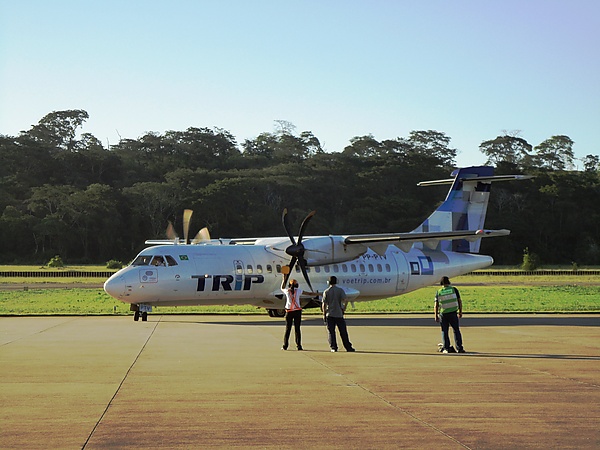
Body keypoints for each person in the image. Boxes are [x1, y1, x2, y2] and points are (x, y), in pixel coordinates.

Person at [281, 275, 317, 351]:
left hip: (289, 311)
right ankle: (299, 346)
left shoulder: (287, 291)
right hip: (297, 311)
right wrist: (318, 294)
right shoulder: (299, 291)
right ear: (297, 285)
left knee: (288, 329)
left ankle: (285, 346)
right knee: (297, 329)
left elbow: (282, 288)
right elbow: (309, 294)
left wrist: (284, 279)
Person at [321, 276, 355, 352]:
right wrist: (343, 308)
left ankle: (333, 347)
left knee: (331, 332)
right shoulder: (340, 290)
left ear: (328, 282)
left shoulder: (326, 291)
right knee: (343, 331)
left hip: (330, 314)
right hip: (339, 314)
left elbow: (324, 304)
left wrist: (324, 313)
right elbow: (345, 300)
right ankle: (348, 347)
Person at [434, 276, 465, 353]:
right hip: (453, 312)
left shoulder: (439, 292)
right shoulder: (454, 290)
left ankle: (446, 347)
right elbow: (459, 301)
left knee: (444, 331)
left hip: (443, 313)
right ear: (449, 282)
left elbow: (436, 305)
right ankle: (459, 348)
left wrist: (436, 315)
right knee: (456, 330)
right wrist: (460, 311)